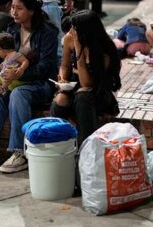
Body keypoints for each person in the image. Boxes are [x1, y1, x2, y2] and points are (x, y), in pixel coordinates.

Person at [0, 0, 58, 176]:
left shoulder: (47, 32)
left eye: (19, 8)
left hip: (40, 84)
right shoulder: (12, 29)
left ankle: (19, 152)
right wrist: (2, 76)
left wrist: (19, 76)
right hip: (13, 83)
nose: (13, 12)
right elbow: (5, 58)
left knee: (18, 94)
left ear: (31, 11)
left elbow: (46, 67)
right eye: (12, 7)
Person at [50, 10, 121, 143]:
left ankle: (85, 145)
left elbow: (87, 84)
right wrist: (63, 78)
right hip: (75, 87)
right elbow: (64, 65)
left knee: (83, 95)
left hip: (98, 90)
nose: (71, 31)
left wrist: (78, 51)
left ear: (86, 31)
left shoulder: (104, 50)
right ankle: (56, 142)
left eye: (74, 28)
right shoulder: (69, 38)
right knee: (60, 100)